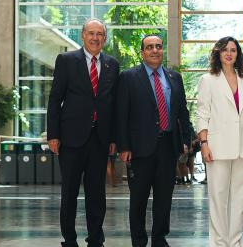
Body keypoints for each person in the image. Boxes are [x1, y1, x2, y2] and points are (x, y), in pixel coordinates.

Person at [46, 19, 120, 247]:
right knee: (69, 193)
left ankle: (96, 238)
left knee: (96, 194)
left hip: (100, 140)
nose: (95, 38)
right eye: (91, 33)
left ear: (104, 38)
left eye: (100, 34)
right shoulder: (67, 61)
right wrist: (53, 135)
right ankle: (69, 239)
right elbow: (55, 99)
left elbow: (114, 104)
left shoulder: (112, 65)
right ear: (83, 35)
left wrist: (114, 138)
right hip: (71, 139)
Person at [117, 34, 192, 247]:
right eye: (149, 47)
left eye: (158, 46)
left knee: (164, 199)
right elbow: (121, 114)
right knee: (138, 200)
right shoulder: (129, 77)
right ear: (142, 52)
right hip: (139, 149)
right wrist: (123, 146)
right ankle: (139, 241)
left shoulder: (174, 77)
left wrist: (185, 140)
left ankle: (159, 239)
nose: (155, 50)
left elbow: (182, 112)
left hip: (168, 147)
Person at [197, 36, 243, 247]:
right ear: (218, 53)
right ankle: (219, 242)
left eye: (233, 50)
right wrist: (204, 143)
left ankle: (235, 241)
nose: (229, 53)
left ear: (238, 54)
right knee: (218, 198)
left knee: (239, 198)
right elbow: (202, 114)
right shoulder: (208, 80)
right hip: (217, 146)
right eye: (225, 50)